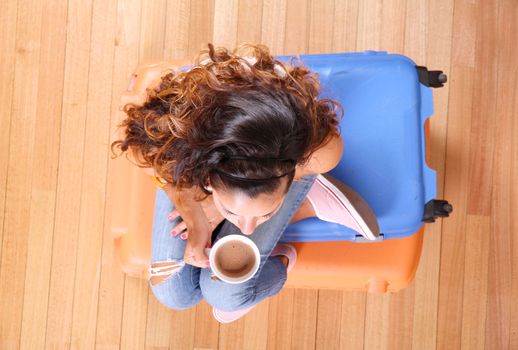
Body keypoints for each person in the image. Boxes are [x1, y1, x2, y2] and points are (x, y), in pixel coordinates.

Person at [111, 43, 379, 323]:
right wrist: (193, 209)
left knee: (226, 297)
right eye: (232, 213)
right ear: (208, 182)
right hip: (196, 155)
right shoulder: (175, 141)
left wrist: (227, 208)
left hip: (276, 160)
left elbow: (321, 154)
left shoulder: (318, 153)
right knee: (174, 295)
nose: (244, 227)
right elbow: (140, 152)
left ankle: (303, 208)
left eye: (265, 212)